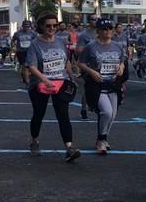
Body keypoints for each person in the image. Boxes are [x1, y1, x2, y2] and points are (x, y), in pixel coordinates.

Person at [26, 13, 81, 163]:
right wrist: (44, 79)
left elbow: (66, 61)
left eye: (54, 25)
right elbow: (31, 66)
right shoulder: (35, 44)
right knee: (39, 114)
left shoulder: (62, 42)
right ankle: (34, 140)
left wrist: (71, 76)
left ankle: (69, 148)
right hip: (39, 84)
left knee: (63, 114)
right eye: (48, 25)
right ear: (41, 27)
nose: (52, 28)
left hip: (60, 81)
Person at [78, 19, 127, 154]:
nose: (108, 31)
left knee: (113, 115)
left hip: (113, 84)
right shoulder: (91, 46)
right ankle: (100, 140)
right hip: (97, 84)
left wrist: (121, 67)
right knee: (106, 112)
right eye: (105, 29)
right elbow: (81, 63)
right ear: (98, 31)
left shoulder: (117, 46)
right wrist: (92, 72)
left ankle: (104, 138)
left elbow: (123, 59)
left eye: (110, 28)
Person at [76, 17, 98, 119]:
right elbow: (78, 50)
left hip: (101, 65)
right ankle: (84, 108)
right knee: (88, 87)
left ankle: (96, 106)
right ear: (89, 22)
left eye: (97, 19)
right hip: (88, 65)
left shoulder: (102, 33)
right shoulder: (84, 35)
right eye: (93, 19)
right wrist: (90, 51)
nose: (96, 21)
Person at [13, 20, 37, 85]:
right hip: (21, 52)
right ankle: (27, 81)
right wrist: (13, 47)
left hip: (30, 51)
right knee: (24, 66)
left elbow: (37, 41)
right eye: (25, 26)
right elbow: (13, 40)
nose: (26, 27)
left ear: (29, 26)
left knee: (30, 66)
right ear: (22, 26)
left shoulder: (33, 33)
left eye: (28, 26)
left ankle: (27, 79)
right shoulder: (17, 33)